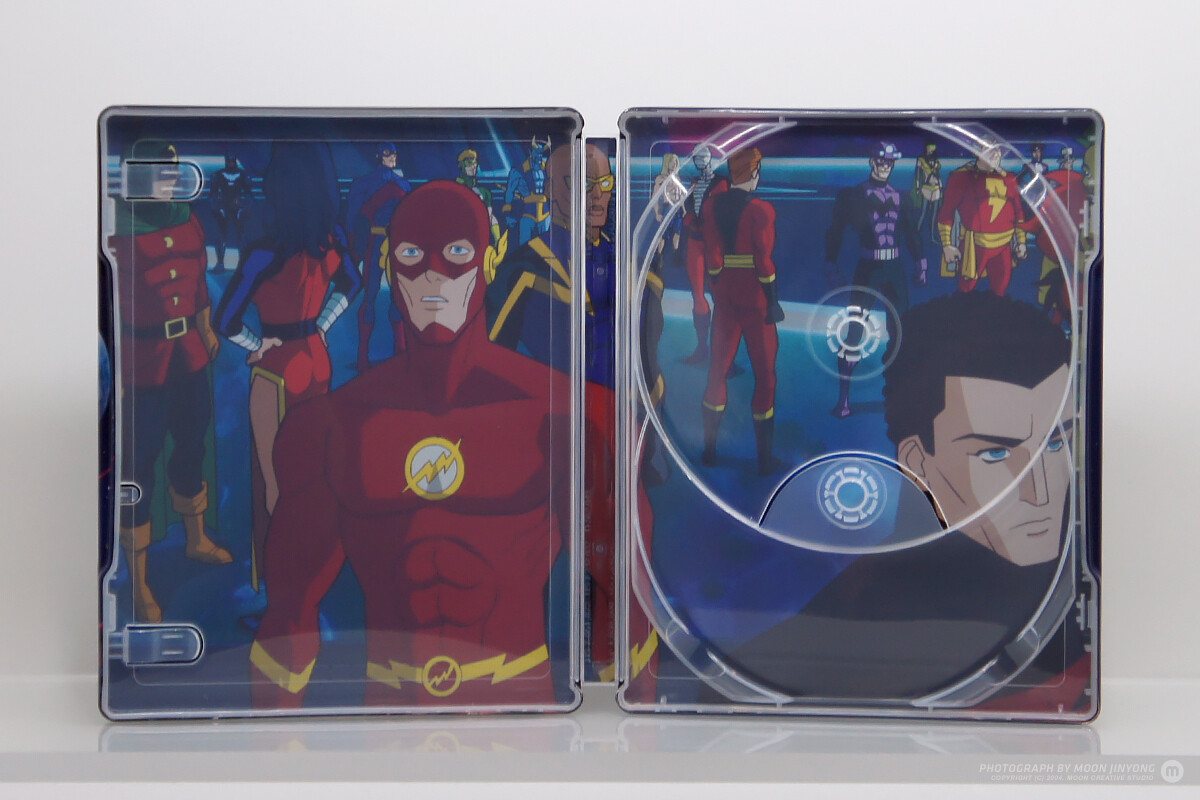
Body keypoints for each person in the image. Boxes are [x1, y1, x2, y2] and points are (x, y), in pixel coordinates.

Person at [249, 181, 571, 709]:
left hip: (521, 712)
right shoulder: (330, 427)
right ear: (389, 266)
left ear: (490, 262)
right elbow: (289, 618)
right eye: (412, 255)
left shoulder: (564, 413)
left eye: (457, 253)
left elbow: (627, 617)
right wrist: (274, 751)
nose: (433, 276)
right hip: (389, 716)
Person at [724, 292, 1080, 704]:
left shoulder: (1083, 608)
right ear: (917, 460)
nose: (1040, 491)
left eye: (1057, 443)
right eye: (995, 454)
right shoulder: (805, 652)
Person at [214, 141, 360, 588]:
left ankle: (285, 590)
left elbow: (225, 320)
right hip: (317, 361)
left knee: (276, 484)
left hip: (277, 370)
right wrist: (322, 324)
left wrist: (256, 344)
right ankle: (310, 577)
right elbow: (351, 284)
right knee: (313, 475)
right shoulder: (330, 242)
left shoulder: (264, 253)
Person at [111, 140, 230, 622]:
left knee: (191, 444)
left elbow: (197, 282)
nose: (169, 182)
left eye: (172, 173)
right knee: (139, 465)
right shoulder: (117, 228)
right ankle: (139, 583)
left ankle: (195, 538)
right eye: (161, 174)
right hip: (143, 359)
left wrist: (205, 328)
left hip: (189, 355)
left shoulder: (187, 217)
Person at [824, 142, 927, 418]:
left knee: (902, 331)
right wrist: (831, 264)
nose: (885, 166)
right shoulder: (852, 196)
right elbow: (836, 231)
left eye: (889, 162)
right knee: (854, 331)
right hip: (868, 267)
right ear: (872, 162)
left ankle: (900, 394)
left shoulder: (901, 197)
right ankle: (843, 399)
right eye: (881, 161)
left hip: (894, 267)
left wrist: (921, 262)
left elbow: (911, 233)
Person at [699, 147, 784, 475]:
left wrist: (718, 285)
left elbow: (712, 256)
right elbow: (764, 261)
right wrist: (772, 301)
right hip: (755, 295)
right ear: (753, 173)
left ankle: (709, 451)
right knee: (765, 376)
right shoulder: (761, 210)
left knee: (717, 371)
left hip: (725, 296)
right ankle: (764, 460)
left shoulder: (711, 206)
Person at [345, 142, 411, 372]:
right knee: (370, 295)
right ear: (378, 155)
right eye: (387, 153)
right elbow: (353, 217)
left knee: (396, 298)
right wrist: (354, 246)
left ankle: (399, 352)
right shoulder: (366, 183)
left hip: (395, 244)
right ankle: (364, 356)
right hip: (375, 241)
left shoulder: (402, 184)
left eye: (394, 153)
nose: (392, 157)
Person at [937, 139, 1028, 295]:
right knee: (966, 289)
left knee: (1001, 289)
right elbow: (946, 212)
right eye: (990, 149)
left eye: (998, 150)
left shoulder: (1009, 178)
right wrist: (947, 245)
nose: (996, 154)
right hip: (974, 245)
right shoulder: (961, 177)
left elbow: (1019, 213)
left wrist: (1021, 242)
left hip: (1004, 245)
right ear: (977, 152)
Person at [681, 145, 720, 363]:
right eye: (696, 158)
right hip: (696, 241)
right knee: (698, 294)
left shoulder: (721, 183)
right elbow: (689, 212)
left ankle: (722, 353)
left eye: (702, 157)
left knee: (721, 295)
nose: (699, 161)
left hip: (715, 244)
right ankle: (702, 348)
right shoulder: (695, 183)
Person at [209, 153, 253, 273]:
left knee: (242, 236)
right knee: (221, 235)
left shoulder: (243, 175)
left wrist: (244, 207)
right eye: (229, 161)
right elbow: (212, 194)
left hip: (238, 207)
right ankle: (220, 263)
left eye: (233, 161)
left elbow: (249, 194)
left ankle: (243, 264)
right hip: (223, 207)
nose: (231, 163)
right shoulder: (218, 175)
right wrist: (217, 208)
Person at [455, 148, 500, 243]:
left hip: (480, 223)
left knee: (493, 219)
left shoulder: (484, 191)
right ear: (461, 165)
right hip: (462, 225)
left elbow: (489, 213)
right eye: (469, 164)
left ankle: (497, 245)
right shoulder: (456, 188)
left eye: (475, 164)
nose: (473, 167)